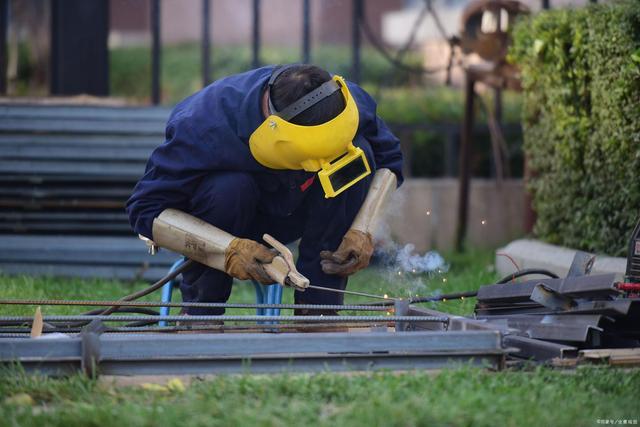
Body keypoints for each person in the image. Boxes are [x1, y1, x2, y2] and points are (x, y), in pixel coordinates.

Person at [126, 63, 403, 316]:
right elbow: (145, 210)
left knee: (359, 155)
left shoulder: (341, 99)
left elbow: (389, 159)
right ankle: (201, 313)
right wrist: (229, 249)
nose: (316, 165)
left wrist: (363, 229)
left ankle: (318, 311)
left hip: (303, 208)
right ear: (274, 127)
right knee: (229, 188)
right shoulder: (204, 125)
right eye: (309, 155)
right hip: (229, 220)